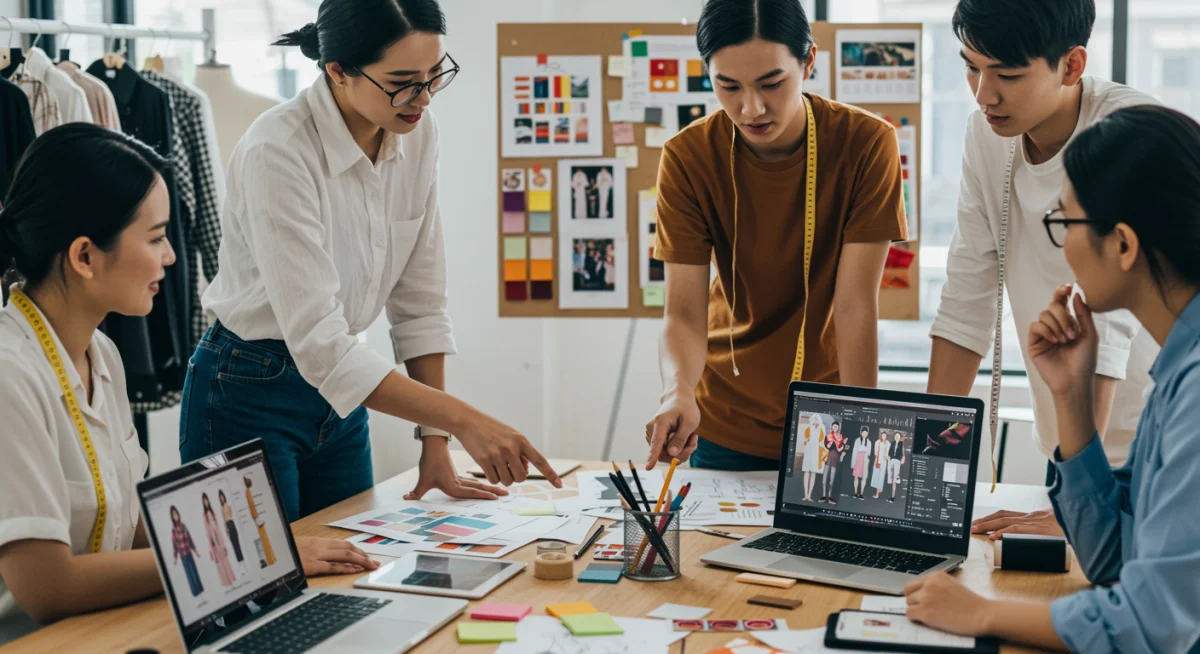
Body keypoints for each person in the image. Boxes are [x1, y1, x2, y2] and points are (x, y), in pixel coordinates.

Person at [183, 0, 561, 522]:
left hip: (344, 389)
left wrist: (436, 442)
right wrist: (469, 421)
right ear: (337, 71)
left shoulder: (416, 130)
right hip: (248, 386)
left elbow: (421, 302)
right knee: (262, 591)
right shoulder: (279, 151)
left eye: (435, 75)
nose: (424, 97)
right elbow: (318, 340)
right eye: (404, 81)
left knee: (351, 564)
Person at [0, 125, 378, 644]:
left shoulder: (99, 353)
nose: (171, 256)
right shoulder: (10, 376)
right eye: (155, 238)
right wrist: (261, 557)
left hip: (115, 626)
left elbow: (132, 534)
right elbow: (47, 586)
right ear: (85, 256)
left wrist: (253, 557)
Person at [906, 104, 1200, 654]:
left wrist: (985, 613)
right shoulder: (1179, 367)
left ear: (1123, 245)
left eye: (1065, 223)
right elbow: (1115, 557)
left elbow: (1151, 624)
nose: (1060, 245)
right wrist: (1071, 394)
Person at [926, 0, 1158, 539]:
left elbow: (1109, 326)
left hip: (1153, 448)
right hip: (1072, 445)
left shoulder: (1125, 131)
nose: (983, 93)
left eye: (1006, 74)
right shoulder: (986, 133)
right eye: (971, 66)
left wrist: (1084, 504)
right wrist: (927, 477)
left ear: (1072, 65)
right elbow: (966, 294)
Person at [645, 0, 907, 472]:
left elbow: (855, 305)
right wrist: (677, 391)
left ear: (808, 61)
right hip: (724, 421)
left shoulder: (867, 144)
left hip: (832, 421)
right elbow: (683, 311)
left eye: (771, 83)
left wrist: (861, 421)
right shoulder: (688, 158)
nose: (751, 108)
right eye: (727, 86)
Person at [201, 493, 236, 588]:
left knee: (225, 559)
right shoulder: (205, 515)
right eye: (204, 501)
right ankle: (226, 583)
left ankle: (231, 581)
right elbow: (207, 532)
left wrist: (223, 544)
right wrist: (210, 549)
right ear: (203, 502)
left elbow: (219, 528)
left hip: (219, 539)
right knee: (220, 563)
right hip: (213, 542)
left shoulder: (213, 513)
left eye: (206, 500)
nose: (206, 502)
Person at [170, 507, 204, 597]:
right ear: (172, 517)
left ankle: (200, 589)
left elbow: (189, 539)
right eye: (174, 514)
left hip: (189, 552)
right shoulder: (173, 530)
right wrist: (175, 557)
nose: (176, 516)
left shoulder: (183, 526)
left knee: (194, 570)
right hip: (182, 555)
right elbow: (175, 544)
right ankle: (195, 592)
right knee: (189, 574)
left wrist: (196, 551)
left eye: (176, 513)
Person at [799, 414, 824, 502]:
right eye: (814, 419)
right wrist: (807, 441)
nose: (815, 421)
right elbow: (805, 441)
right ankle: (805, 494)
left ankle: (809, 495)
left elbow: (821, 442)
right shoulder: (808, 429)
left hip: (816, 451)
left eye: (817, 419)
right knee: (807, 471)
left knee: (813, 472)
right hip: (808, 451)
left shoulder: (821, 429)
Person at [819, 420, 845, 503]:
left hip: (835, 458)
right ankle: (823, 495)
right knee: (824, 478)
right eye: (834, 426)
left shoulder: (840, 437)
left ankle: (830, 496)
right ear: (831, 427)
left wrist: (843, 445)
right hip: (827, 457)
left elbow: (841, 447)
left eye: (836, 426)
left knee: (832, 479)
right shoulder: (828, 436)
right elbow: (825, 445)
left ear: (838, 428)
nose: (835, 427)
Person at [218, 490, 245, 565]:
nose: (222, 498)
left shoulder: (227, 505)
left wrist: (229, 523)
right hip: (227, 524)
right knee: (233, 543)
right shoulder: (222, 508)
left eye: (222, 497)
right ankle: (239, 560)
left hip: (231, 523)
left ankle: (241, 558)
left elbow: (230, 515)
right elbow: (224, 519)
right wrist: (226, 529)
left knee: (237, 541)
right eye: (220, 498)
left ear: (224, 497)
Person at [851, 427, 871, 499]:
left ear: (868, 433)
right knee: (856, 476)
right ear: (861, 432)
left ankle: (861, 493)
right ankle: (855, 493)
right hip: (857, 459)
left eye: (866, 432)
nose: (864, 433)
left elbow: (868, 453)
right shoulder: (857, 440)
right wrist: (853, 463)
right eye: (863, 432)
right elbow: (854, 452)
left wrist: (862, 450)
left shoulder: (869, 442)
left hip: (865, 460)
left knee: (864, 477)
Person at [887, 432, 905, 502]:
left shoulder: (901, 444)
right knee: (890, 476)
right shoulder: (892, 443)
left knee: (894, 480)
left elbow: (903, 453)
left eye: (898, 436)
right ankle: (897, 476)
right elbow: (889, 452)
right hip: (891, 460)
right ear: (894, 437)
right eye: (896, 436)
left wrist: (903, 458)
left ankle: (892, 497)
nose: (897, 437)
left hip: (897, 460)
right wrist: (889, 459)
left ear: (900, 437)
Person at [871, 429, 889, 499]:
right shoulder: (877, 442)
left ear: (886, 436)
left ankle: (878, 491)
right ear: (881, 436)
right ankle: (877, 492)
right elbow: (876, 453)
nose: (883, 436)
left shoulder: (888, 443)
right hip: (878, 461)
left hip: (884, 462)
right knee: (877, 476)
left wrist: (887, 456)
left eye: (884, 435)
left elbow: (888, 453)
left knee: (881, 476)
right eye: (882, 435)